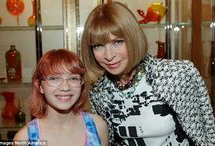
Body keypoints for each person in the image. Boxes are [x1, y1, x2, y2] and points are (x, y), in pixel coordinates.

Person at [81, 2, 215, 146]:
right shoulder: (99, 90)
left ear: (133, 38)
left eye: (117, 42)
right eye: (98, 45)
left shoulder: (176, 75)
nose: (108, 55)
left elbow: (206, 137)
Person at [13, 49, 109, 146]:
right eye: (54, 78)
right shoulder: (25, 138)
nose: (65, 87)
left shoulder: (98, 127)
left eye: (73, 78)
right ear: (40, 86)